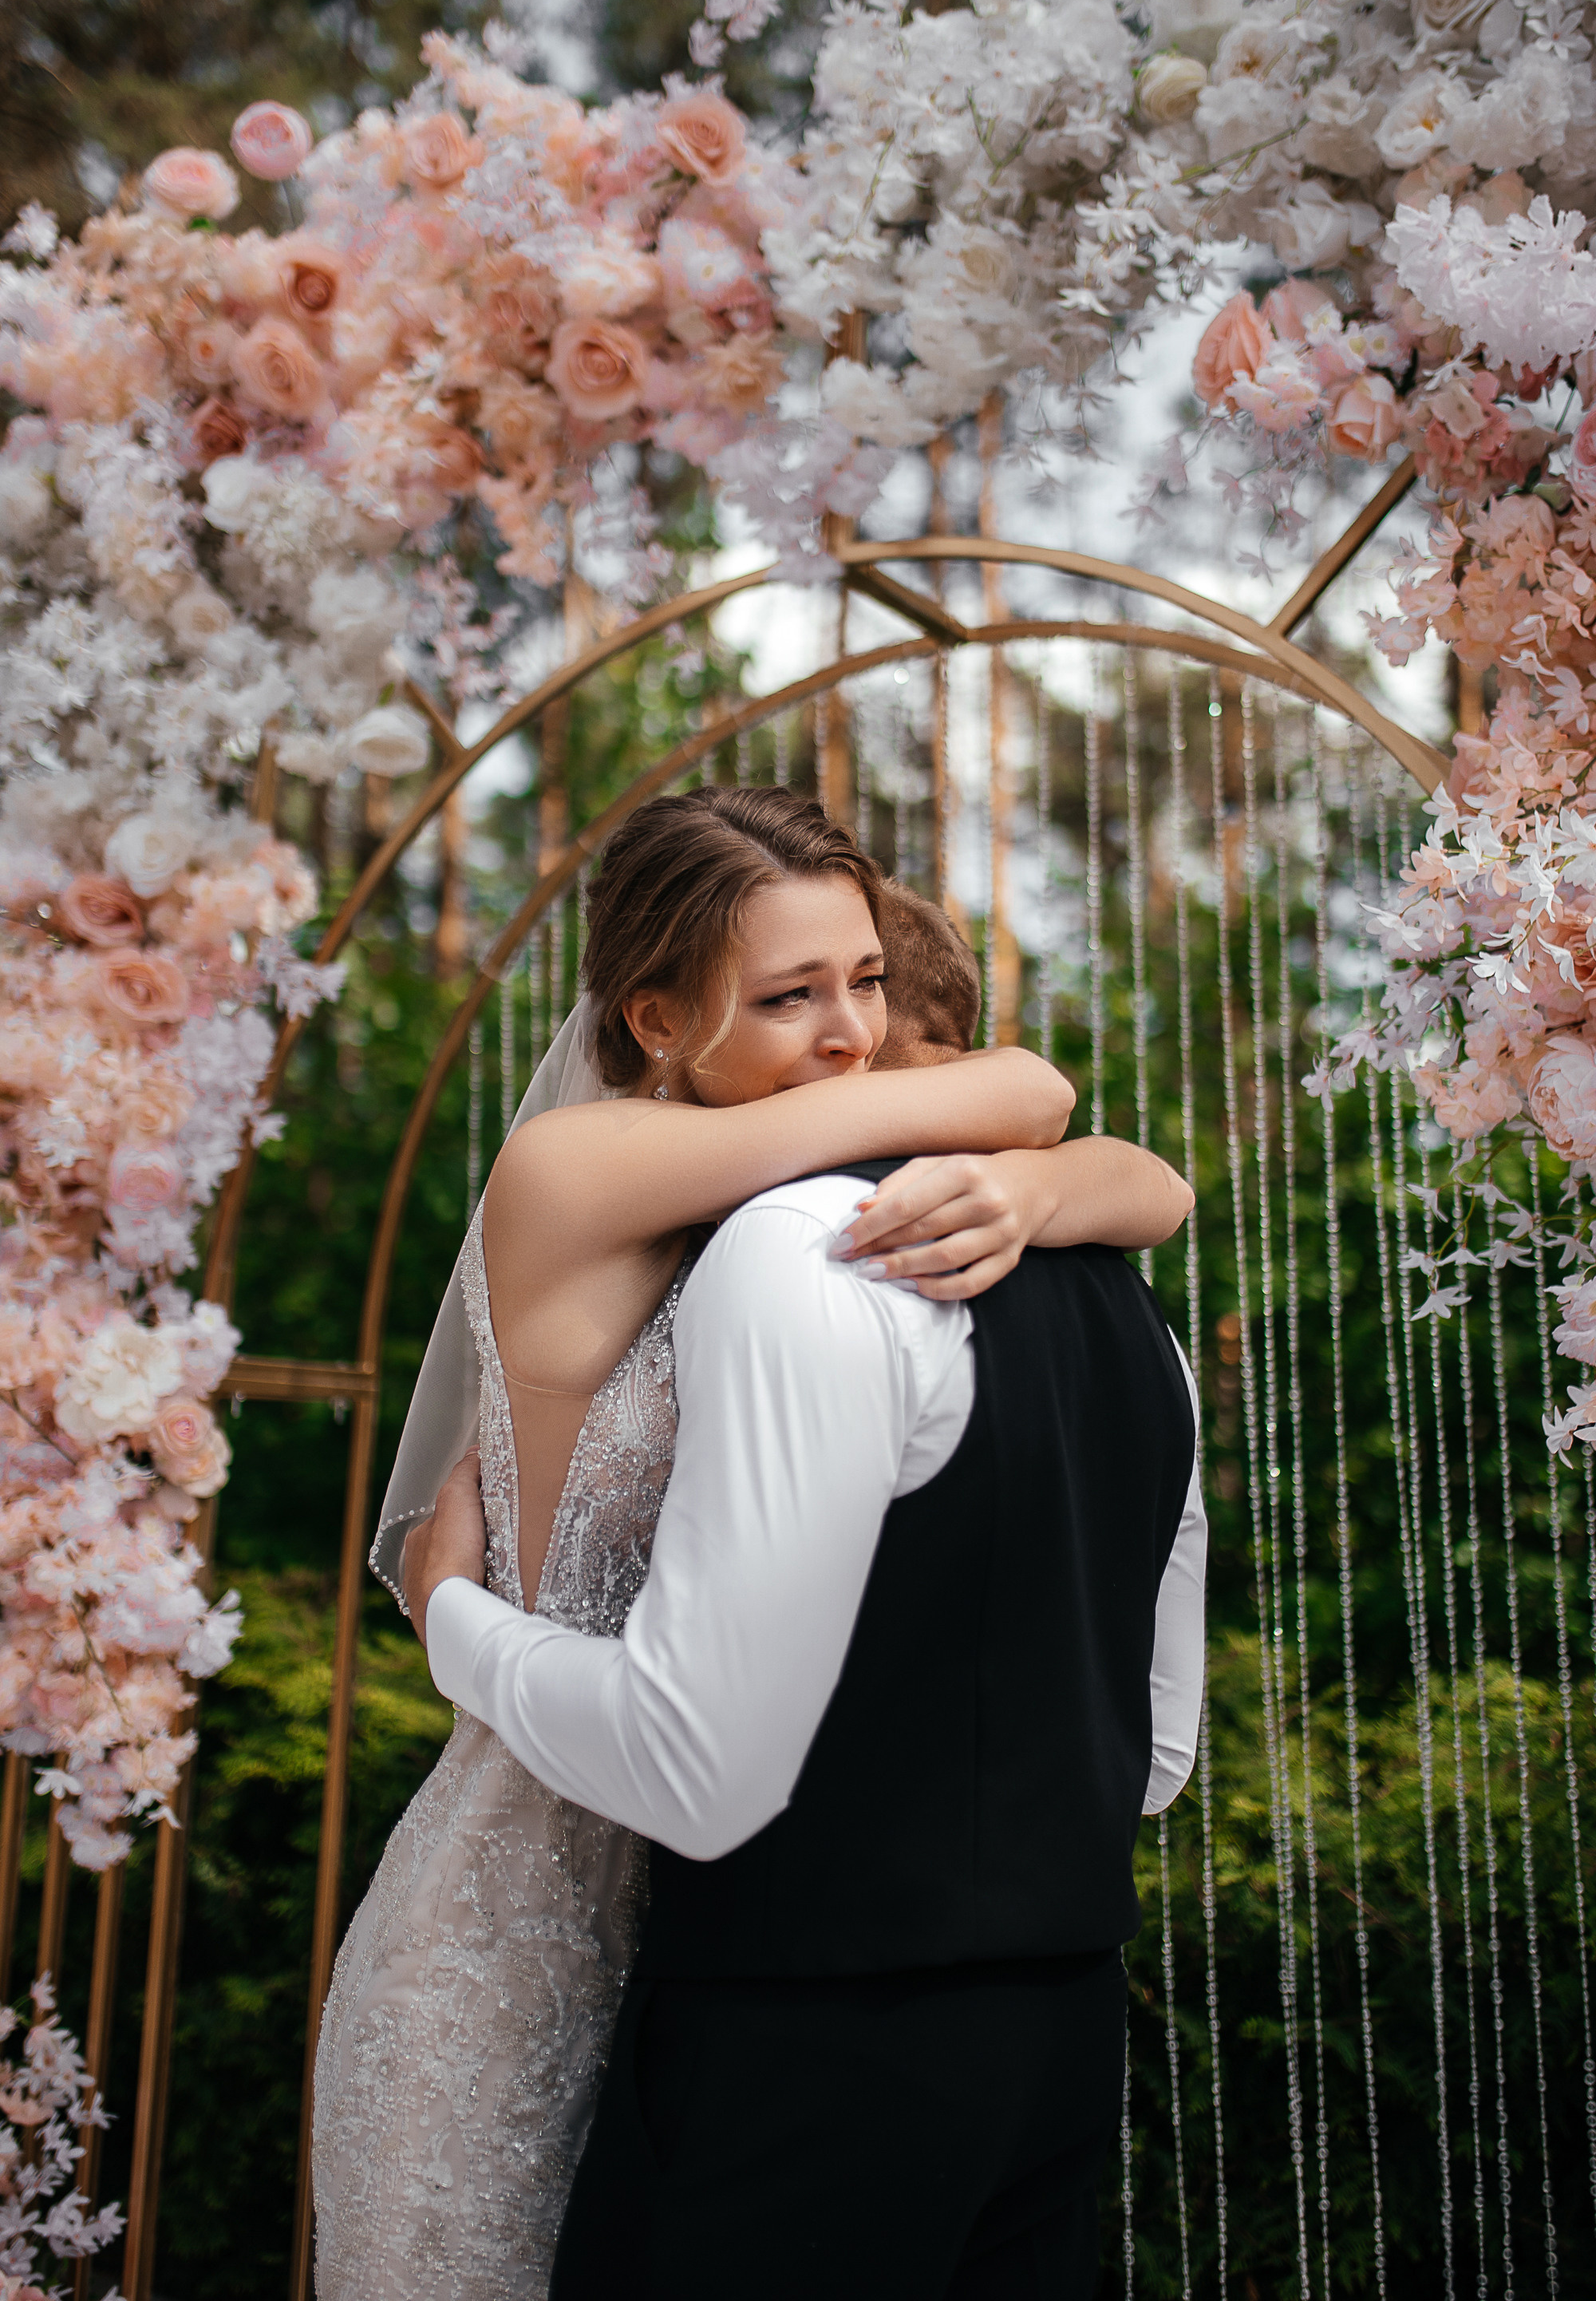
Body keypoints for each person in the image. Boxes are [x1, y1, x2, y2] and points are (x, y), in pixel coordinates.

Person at [314, 786, 1192, 2301]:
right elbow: (1024, 1089)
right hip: (530, 1915)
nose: (855, 1034)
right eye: (791, 996)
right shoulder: (572, 1173)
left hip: (735, 1905)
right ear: (652, 1019)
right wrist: (1062, 1162)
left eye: (866, 980)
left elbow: (1083, 1149)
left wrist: (1065, 1188)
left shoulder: (779, 1222)